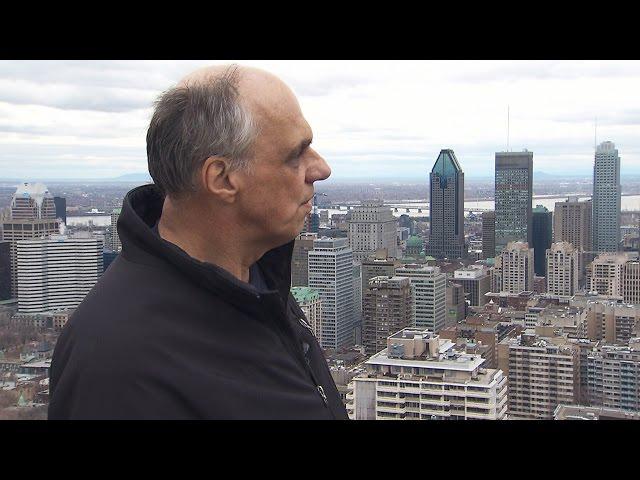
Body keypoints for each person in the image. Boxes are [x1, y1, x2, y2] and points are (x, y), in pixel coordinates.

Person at [48, 64, 348, 420]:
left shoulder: (257, 283)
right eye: (295, 154)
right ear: (222, 178)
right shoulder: (117, 365)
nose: (321, 168)